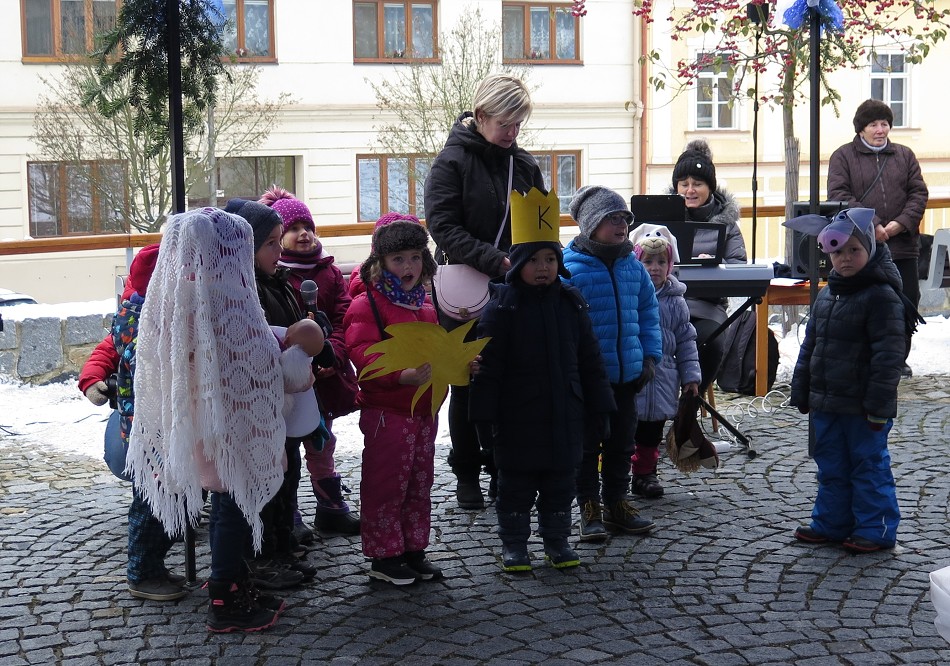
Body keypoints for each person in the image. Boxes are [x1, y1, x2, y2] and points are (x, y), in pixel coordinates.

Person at [128, 208, 288, 632]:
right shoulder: (226, 296)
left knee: (223, 504)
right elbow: (257, 358)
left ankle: (233, 581)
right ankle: (226, 597)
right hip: (230, 428)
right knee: (233, 506)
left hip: (193, 426)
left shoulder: (170, 296)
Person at [469, 189, 615, 572]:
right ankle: (515, 545)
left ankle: (557, 542)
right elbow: (489, 368)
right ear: (518, 264)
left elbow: (590, 360)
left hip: (565, 414)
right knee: (515, 490)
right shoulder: (502, 308)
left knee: (559, 487)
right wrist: (484, 420)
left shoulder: (571, 303)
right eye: (534, 260)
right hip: (518, 419)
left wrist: (600, 407)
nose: (543, 267)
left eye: (550, 258)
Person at [424, 73, 547, 510]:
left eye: (519, 125)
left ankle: (503, 469)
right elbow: (442, 227)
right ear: (480, 117)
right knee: (467, 383)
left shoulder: (526, 164)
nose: (512, 134)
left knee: (510, 382)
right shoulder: (451, 162)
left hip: (513, 286)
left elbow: (539, 223)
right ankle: (467, 474)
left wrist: (543, 261)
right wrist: (494, 260)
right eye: (506, 124)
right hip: (465, 290)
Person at [789, 208, 922, 554]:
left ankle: (875, 529)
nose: (845, 259)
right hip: (827, 402)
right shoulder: (828, 295)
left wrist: (878, 407)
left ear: (870, 251)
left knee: (868, 467)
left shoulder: (882, 296)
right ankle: (831, 523)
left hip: (863, 408)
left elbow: (888, 359)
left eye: (854, 250)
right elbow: (811, 346)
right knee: (831, 465)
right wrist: (802, 389)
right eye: (837, 252)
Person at [222, 198, 318, 589]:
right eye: (271, 244)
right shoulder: (243, 291)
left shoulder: (276, 280)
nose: (280, 251)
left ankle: (279, 544)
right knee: (264, 485)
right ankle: (261, 558)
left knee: (286, 478)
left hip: (285, 404)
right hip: (259, 406)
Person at [343, 217, 443, 586]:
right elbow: (362, 351)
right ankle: (385, 556)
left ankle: (413, 548)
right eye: (398, 259)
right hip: (388, 411)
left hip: (422, 410)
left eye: (415, 258)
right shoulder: (366, 303)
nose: (408, 267)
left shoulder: (425, 305)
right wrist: (400, 376)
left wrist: (460, 363)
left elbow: (437, 350)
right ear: (380, 262)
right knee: (386, 484)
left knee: (419, 482)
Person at [561, 186, 661, 541]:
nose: (620, 225)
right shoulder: (569, 269)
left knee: (622, 444)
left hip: (627, 376)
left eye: (624, 218)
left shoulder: (632, 266)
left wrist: (650, 357)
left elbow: (649, 315)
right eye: (611, 218)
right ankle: (589, 507)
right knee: (587, 446)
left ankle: (617, 502)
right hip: (589, 380)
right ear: (591, 224)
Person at [263, 186, 361, 538]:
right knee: (286, 445)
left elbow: (343, 315)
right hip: (290, 379)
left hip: (326, 374)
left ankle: (330, 507)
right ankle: (289, 515)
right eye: (294, 228)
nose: (304, 234)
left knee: (322, 441)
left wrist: (332, 353)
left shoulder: (329, 272)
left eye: (309, 227)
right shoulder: (274, 276)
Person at [92, 243, 187, 602]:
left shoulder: (146, 311)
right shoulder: (142, 318)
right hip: (149, 429)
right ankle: (142, 572)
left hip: (159, 426)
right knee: (151, 503)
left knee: (168, 498)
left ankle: (154, 567)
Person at [827, 98, 929, 377]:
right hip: (862, 246)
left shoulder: (904, 155)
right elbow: (839, 195)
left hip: (903, 245)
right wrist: (873, 225)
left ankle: (897, 358)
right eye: (873, 124)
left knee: (905, 301)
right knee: (866, 301)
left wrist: (898, 225)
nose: (880, 129)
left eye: (884, 123)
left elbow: (918, 193)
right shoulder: (843, 156)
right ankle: (865, 356)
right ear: (861, 129)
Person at [629, 224, 702, 499]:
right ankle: (615, 474)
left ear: (670, 265)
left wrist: (691, 376)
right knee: (625, 432)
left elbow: (686, 340)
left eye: (661, 261)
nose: (655, 267)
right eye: (647, 261)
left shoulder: (675, 301)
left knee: (651, 433)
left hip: (663, 379)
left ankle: (645, 474)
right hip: (634, 377)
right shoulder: (630, 297)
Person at [670, 139, 747, 392]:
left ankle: (688, 409)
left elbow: (738, 266)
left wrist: (716, 264)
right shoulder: (660, 219)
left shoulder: (727, 224)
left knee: (710, 343)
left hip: (707, 307)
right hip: (665, 304)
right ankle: (655, 411)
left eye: (698, 184)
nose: (690, 190)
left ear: (710, 188)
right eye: (684, 184)